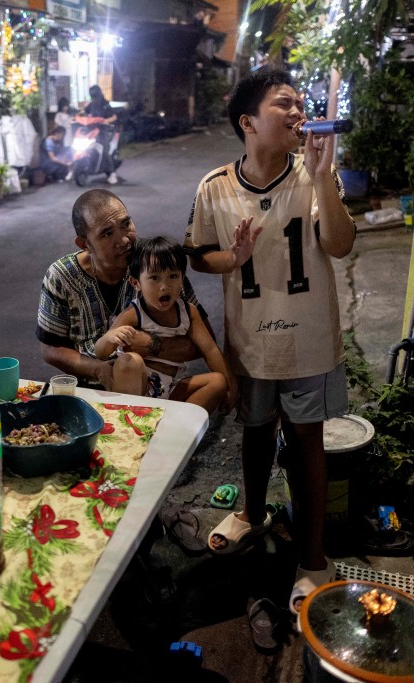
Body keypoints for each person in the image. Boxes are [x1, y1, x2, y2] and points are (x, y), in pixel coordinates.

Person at [183, 67, 356, 615]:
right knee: (255, 432)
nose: (297, 110)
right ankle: (252, 516)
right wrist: (231, 259)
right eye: (284, 103)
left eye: (300, 101)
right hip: (251, 339)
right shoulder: (216, 186)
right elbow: (198, 253)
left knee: (307, 440)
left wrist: (325, 176)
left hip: (309, 339)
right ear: (249, 122)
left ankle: (312, 559)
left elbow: (340, 243)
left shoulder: (314, 175)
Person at [37, 189, 210, 391]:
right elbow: (51, 349)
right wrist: (97, 369)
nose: (124, 241)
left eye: (126, 225)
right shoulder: (62, 277)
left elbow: (205, 341)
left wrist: (151, 345)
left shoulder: (158, 266)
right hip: (91, 391)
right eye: (107, 233)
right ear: (85, 244)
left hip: (158, 387)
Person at [94, 236, 233, 413]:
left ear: (182, 279)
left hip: (170, 388)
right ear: (136, 283)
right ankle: (128, 420)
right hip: (138, 389)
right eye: (155, 278)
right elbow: (100, 352)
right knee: (131, 362)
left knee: (218, 381)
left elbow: (210, 350)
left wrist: (231, 386)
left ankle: (176, 430)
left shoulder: (188, 312)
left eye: (173, 276)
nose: (165, 286)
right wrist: (109, 338)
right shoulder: (133, 313)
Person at [82, 85, 119, 184]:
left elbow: (114, 116)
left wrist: (107, 120)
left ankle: (112, 173)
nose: (93, 97)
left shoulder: (105, 104)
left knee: (105, 150)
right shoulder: (91, 105)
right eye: (91, 95)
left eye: (94, 95)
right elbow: (83, 113)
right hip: (92, 131)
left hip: (104, 131)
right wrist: (75, 117)